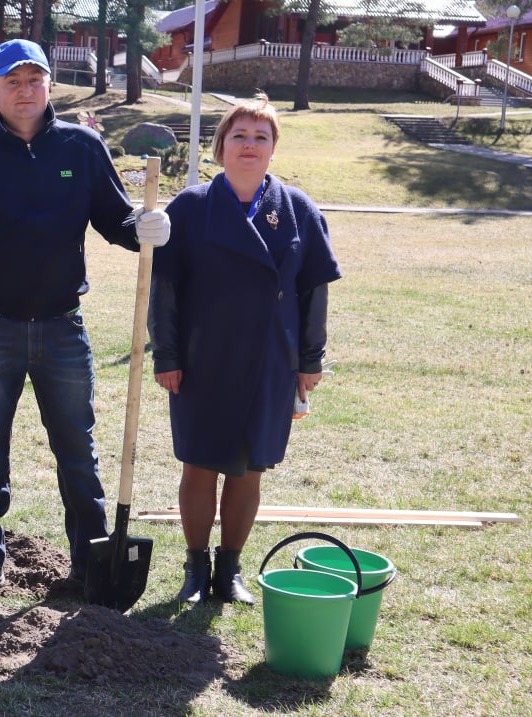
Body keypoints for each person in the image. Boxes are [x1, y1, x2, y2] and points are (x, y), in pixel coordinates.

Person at [0, 39, 171, 605]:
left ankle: (90, 566)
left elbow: (114, 219)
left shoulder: (81, 147)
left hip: (62, 328)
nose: (25, 91)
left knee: (78, 452)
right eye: (13, 81)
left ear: (50, 85)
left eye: (35, 80)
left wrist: (144, 228)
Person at [148, 92, 341, 605]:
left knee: (250, 468)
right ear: (220, 147)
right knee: (199, 464)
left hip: (270, 361)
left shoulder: (298, 209)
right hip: (202, 360)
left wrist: (310, 360)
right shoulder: (189, 207)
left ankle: (229, 570)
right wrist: (165, 355)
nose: (249, 145)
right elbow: (164, 287)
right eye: (239, 136)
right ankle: (195, 569)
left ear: (274, 148)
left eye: (261, 137)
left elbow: (313, 290)